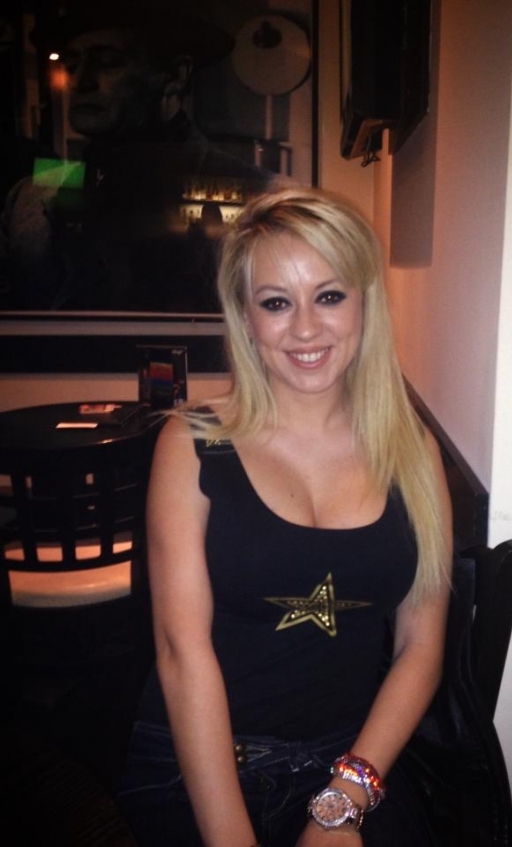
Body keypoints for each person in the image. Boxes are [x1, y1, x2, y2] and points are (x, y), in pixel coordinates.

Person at [117, 186, 453, 846]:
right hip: (197, 763)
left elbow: (421, 647)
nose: (304, 328)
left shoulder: (413, 451)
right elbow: (182, 653)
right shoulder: (191, 442)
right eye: (276, 302)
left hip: (349, 758)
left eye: (328, 295)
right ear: (246, 319)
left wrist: (343, 800)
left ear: (365, 302)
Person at [1, 0, 276, 312]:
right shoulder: (30, 194)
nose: (80, 81)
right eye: (71, 64)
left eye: (108, 61)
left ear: (176, 75)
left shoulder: (262, 196)